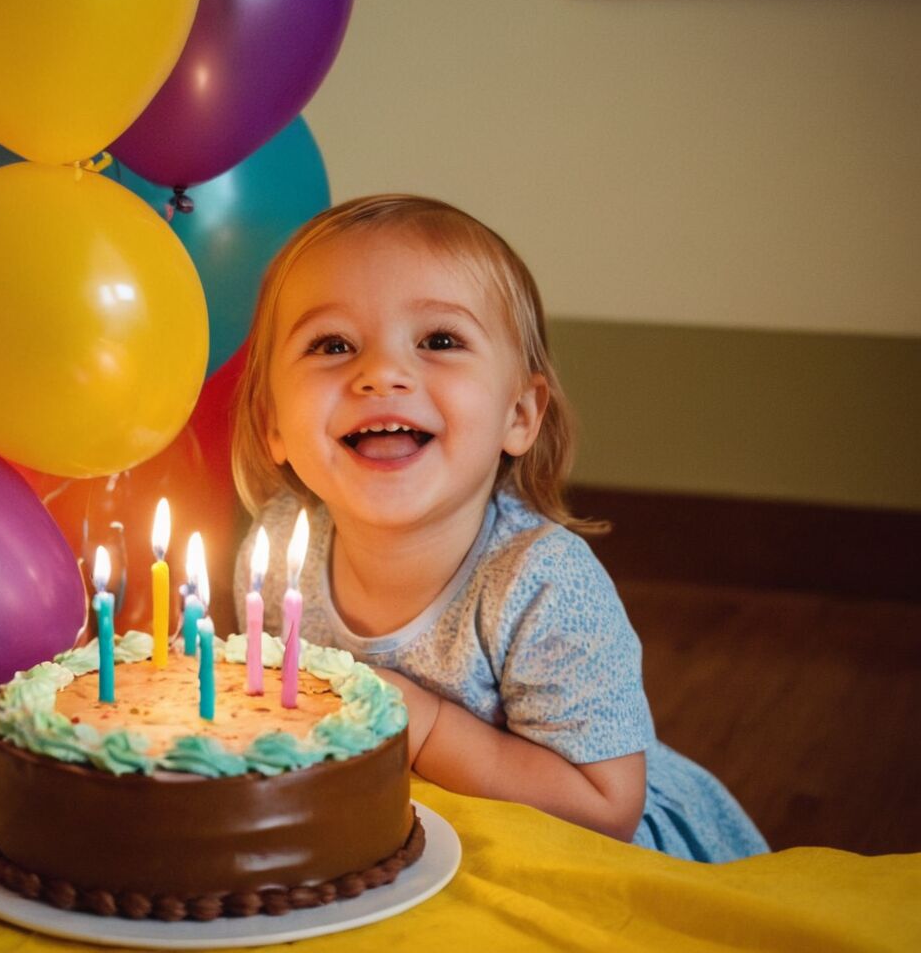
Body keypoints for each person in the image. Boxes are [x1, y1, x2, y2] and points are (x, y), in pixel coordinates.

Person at [231, 194, 768, 862]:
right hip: (396, 851)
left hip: (589, 865)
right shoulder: (277, 556)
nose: (382, 374)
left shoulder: (543, 583)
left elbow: (605, 809)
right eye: (333, 344)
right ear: (272, 423)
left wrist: (420, 728)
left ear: (520, 413)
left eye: (439, 341)